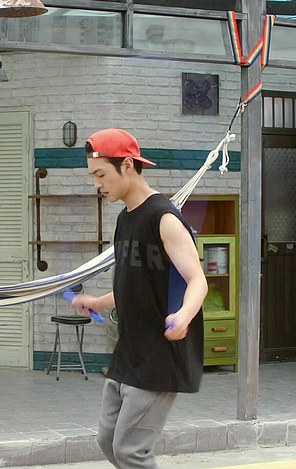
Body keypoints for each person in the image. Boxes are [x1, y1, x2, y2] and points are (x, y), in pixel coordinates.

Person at [71, 128, 207, 468]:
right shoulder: (125, 219)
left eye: (101, 174)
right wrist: (99, 302)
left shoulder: (164, 218)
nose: (97, 184)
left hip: (161, 352)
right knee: (108, 441)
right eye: (93, 176)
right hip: (130, 349)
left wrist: (184, 316)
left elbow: (198, 281)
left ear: (127, 165)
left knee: (131, 450)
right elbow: (136, 283)